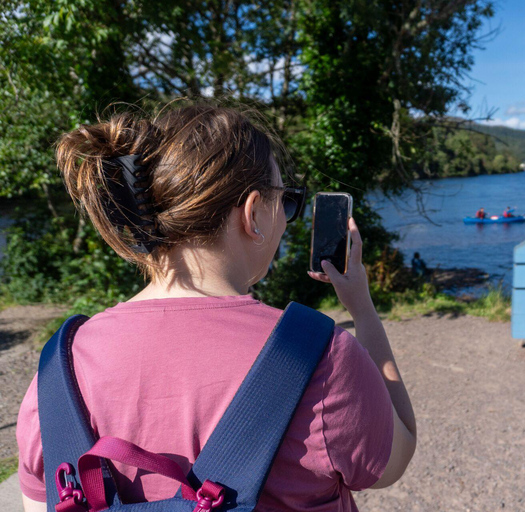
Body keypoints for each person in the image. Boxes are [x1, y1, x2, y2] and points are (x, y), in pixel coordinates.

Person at [16, 105, 416, 512]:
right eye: (288, 203)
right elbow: (395, 458)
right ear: (254, 212)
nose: (285, 220)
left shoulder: (58, 370)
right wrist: (362, 309)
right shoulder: (320, 356)